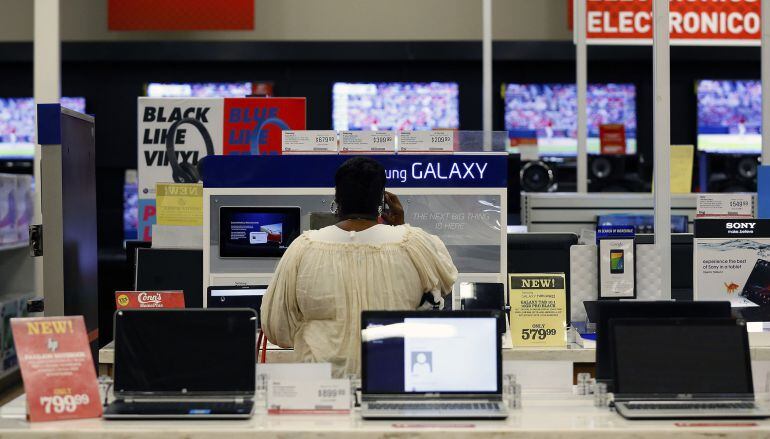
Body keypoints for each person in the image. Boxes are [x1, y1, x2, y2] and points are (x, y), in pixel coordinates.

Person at [261, 157, 458, 377]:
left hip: (321, 388)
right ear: (382, 200)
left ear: (337, 197)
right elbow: (442, 292)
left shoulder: (303, 248)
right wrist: (401, 227)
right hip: (392, 381)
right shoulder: (414, 244)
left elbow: (276, 327)